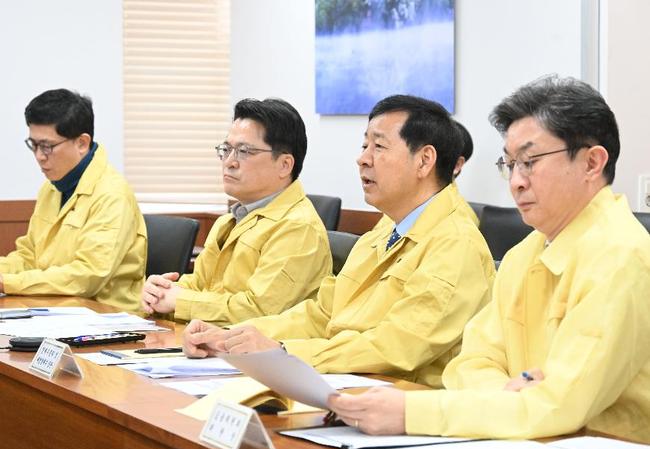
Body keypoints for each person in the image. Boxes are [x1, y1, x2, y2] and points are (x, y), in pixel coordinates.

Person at [328, 76, 650, 443]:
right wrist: (509, 395)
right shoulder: (524, 253)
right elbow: (468, 363)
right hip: (517, 436)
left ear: (592, 163)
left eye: (529, 162)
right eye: (510, 164)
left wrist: (409, 413)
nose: (516, 181)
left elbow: (559, 406)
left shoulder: (621, 257)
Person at [182, 95, 495, 387]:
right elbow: (323, 313)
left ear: (424, 161)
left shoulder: (457, 243)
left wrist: (283, 351)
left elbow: (397, 346)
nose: (362, 159)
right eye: (364, 145)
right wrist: (234, 336)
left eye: (378, 146)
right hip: (349, 384)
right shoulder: (385, 230)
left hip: (407, 401)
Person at [141, 98, 331, 325]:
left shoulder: (298, 228)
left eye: (244, 151)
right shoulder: (229, 221)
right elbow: (200, 286)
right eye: (227, 149)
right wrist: (161, 292)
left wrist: (180, 301)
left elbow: (259, 311)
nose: (229, 162)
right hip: (207, 338)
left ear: (284, 165)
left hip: (254, 347)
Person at [0, 89, 147, 311]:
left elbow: (88, 276)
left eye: (47, 146)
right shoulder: (52, 188)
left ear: (82, 143)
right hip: (57, 308)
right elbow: (29, 257)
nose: (39, 156)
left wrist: (8, 282)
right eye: (34, 145)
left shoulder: (112, 194)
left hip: (107, 316)